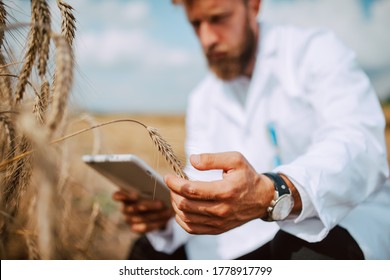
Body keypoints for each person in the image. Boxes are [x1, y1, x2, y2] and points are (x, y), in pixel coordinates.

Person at [113, 0, 390, 259]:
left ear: (254, 5)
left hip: (341, 223)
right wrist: (169, 215)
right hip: (236, 241)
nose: (207, 38)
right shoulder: (202, 99)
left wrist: (276, 191)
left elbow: (358, 144)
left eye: (218, 18)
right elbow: (203, 183)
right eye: (196, 24)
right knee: (145, 252)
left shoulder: (315, 52)